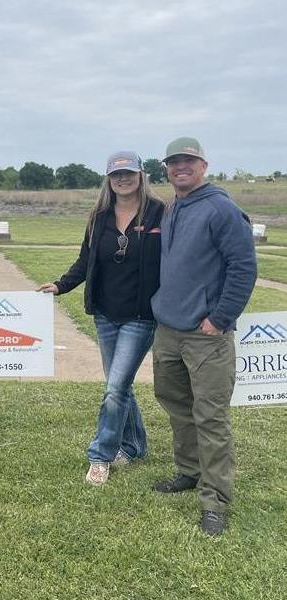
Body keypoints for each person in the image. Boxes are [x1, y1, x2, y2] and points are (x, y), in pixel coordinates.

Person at [37, 151, 164, 486]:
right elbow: (84, 262)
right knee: (119, 385)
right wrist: (61, 284)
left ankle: (101, 456)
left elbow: (176, 259)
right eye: (116, 174)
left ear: (141, 175)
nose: (123, 179)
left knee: (114, 387)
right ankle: (134, 445)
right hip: (106, 315)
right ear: (109, 179)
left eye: (129, 173)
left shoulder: (161, 213)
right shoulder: (99, 217)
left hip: (142, 316)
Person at [151, 137, 256, 536]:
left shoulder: (221, 208)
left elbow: (243, 267)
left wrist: (220, 318)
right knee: (178, 406)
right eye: (174, 162)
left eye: (188, 161)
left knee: (210, 416)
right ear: (166, 169)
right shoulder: (175, 205)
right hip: (169, 331)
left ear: (203, 165)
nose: (180, 167)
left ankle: (215, 500)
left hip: (205, 335)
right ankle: (189, 472)